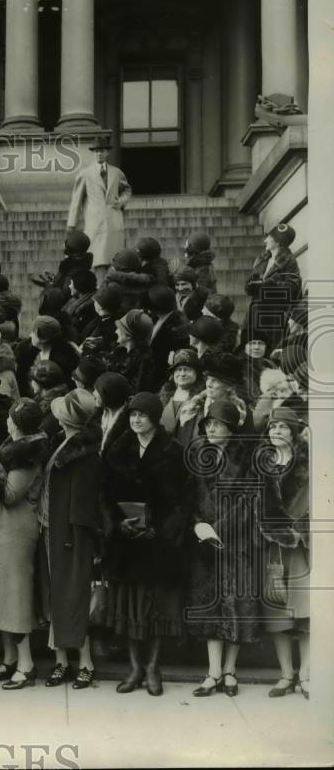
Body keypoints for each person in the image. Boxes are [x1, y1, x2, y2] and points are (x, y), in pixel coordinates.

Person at [100, 393, 191, 696]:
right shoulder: (117, 450)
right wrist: (117, 524)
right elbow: (104, 496)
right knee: (130, 607)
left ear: (155, 418)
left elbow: (182, 501)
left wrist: (161, 530)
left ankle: (153, 666)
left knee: (155, 609)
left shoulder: (173, 450)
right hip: (126, 545)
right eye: (132, 415)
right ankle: (135, 666)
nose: (136, 420)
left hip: (159, 545)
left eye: (142, 415)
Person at [187, 400, 262, 698]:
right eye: (208, 423)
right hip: (204, 542)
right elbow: (188, 497)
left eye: (218, 423)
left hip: (235, 542)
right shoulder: (196, 454)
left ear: (231, 428)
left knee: (236, 608)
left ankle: (230, 671)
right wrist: (197, 526)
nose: (211, 428)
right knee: (210, 608)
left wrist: (220, 529)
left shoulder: (245, 458)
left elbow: (247, 501)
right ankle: (213, 672)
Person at [0, 399, 50, 689]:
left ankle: (26, 664)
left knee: (16, 599)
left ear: (15, 423)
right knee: (1, 597)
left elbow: (9, 494)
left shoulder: (26, 456)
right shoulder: (17, 447)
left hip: (15, 534)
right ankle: (10, 660)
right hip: (2, 533)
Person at [38, 389, 102, 690]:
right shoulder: (61, 443)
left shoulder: (85, 455)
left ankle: (85, 662)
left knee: (72, 598)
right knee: (57, 597)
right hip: (52, 531)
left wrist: (76, 540)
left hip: (68, 537)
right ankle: (61, 661)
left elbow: (84, 507)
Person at [259, 408, 311, 699]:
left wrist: (299, 531)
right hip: (271, 549)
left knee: (304, 613)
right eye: (272, 427)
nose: (276, 431)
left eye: (282, 427)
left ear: (293, 432)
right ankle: (285, 674)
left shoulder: (308, 465)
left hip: (301, 547)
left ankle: (305, 674)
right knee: (276, 612)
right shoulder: (263, 466)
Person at [66, 137, 131, 284]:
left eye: (101, 151)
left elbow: (126, 190)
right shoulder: (86, 174)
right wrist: (72, 223)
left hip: (114, 222)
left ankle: (113, 291)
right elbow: (76, 200)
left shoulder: (116, 173)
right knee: (98, 261)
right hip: (95, 224)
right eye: (96, 151)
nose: (99, 154)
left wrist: (121, 202)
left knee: (115, 260)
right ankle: (101, 292)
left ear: (107, 152)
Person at [243, 223, 302, 350]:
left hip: (273, 315)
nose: (265, 240)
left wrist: (268, 284)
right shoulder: (262, 259)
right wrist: (250, 285)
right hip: (254, 312)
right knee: (250, 351)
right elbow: (250, 285)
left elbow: (292, 289)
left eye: (269, 237)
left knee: (269, 351)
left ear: (278, 241)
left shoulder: (290, 262)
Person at [107, 308, 158, 393]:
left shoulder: (144, 364)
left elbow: (133, 393)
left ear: (129, 336)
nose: (116, 331)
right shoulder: (120, 350)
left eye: (120, 328)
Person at [158, 348, 204, 437]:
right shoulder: (162, 397)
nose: (182, 374)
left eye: (187, 369)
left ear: (196, 373)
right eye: (179, 369)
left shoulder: (202, 399)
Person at [93, 371, 133, 453]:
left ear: (110, 396)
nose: (93, 393)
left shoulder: (128, 426)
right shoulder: (102, 412)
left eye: (98, 391)